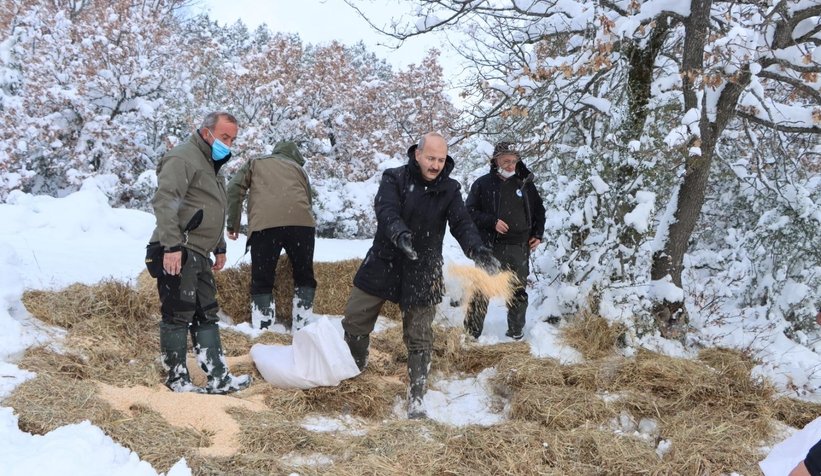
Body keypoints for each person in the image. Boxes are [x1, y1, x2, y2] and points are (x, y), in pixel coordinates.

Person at [342, 132, 501, 419]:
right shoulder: (394, 178)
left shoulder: (450, 189)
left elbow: (462, 224)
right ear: (417, 153)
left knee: (420, 337)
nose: (436, 165)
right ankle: (356, 369)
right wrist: (400, 234)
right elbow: (386, 210)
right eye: (431, 158)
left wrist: (478, 250)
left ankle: (417, 397)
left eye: (441, 159)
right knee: (355, 319)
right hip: (385, 259)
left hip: (423, 267)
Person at [149, 111, 251, 394]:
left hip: (200, 252)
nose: (228, 143)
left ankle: (218, 377)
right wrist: (171, 246)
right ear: (206, 132)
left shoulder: (213, 164)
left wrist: (219, 246)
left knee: (207, 314)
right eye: (224, 137)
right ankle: (177, 379)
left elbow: (212, 207)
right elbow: (165, 201)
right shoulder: (183, 157)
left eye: (232, 139)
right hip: (178, 248)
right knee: (178, 314)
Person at [226, 141, 317, 332]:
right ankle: (302, 328)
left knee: (262, 278)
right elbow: (308, 200)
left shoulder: (256, 162)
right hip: (302, 225)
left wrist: (233, 223)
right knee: (304, 276)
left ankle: (264, 330)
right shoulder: (299, 170)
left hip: (266, 226)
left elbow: (235, 188)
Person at [464, 141, 546, 341]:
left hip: (520, 247)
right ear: (495, 161)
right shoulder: (483, 184)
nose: (511, 165)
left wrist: (537, 233)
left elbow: (539, 211)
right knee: (481, 291)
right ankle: (471, 335)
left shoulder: (525, 184)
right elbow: (469, 212)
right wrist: (492, 222)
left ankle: (515, 333)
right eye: (506, 161)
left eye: (514, 161)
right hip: (490, 247)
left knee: (518, 292)